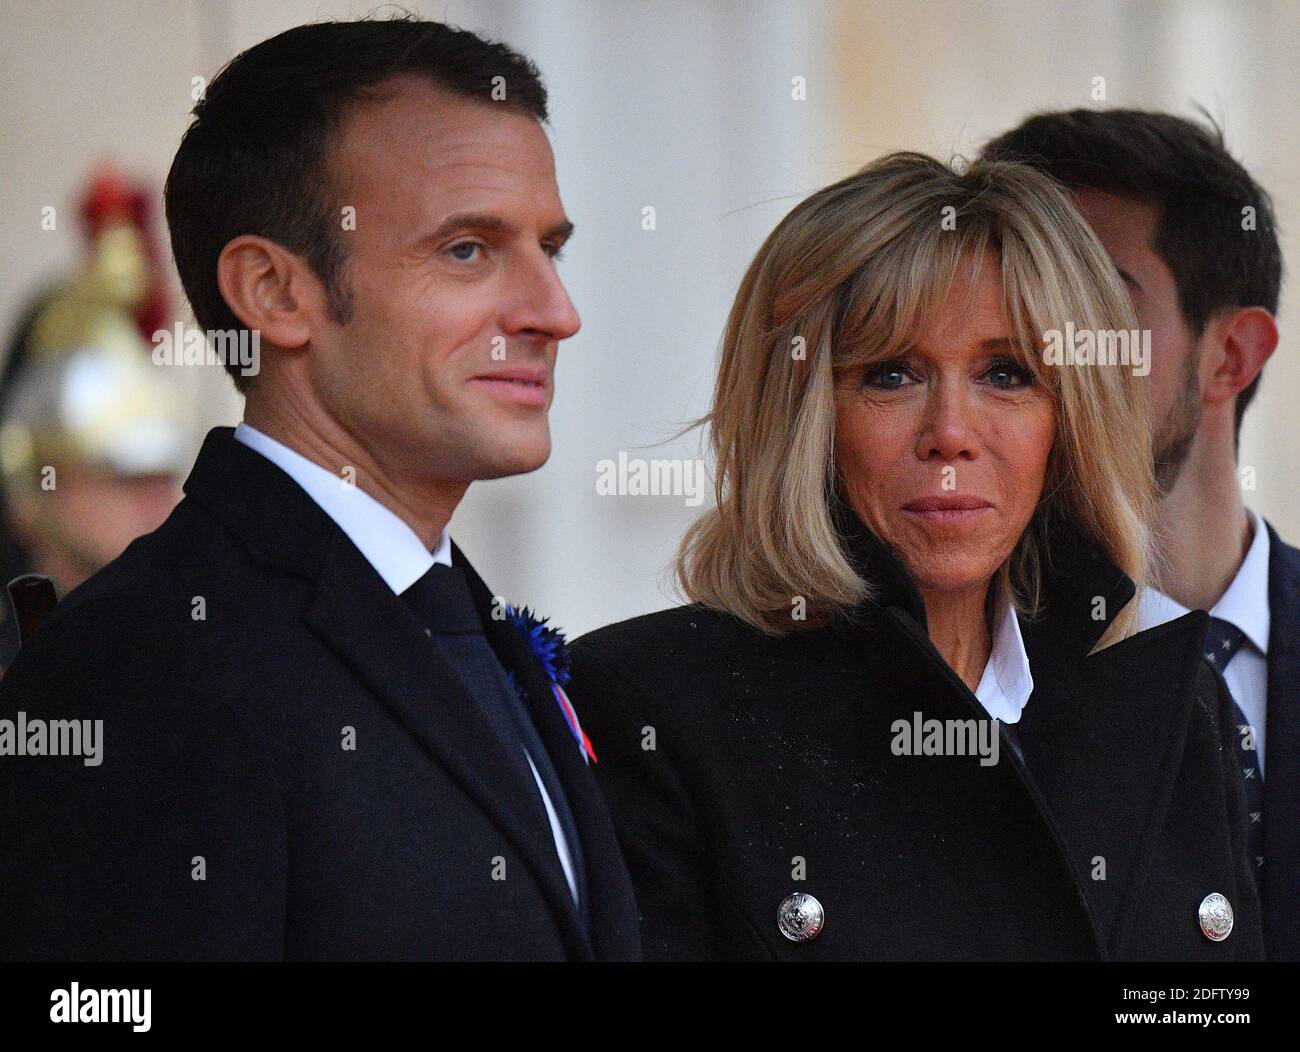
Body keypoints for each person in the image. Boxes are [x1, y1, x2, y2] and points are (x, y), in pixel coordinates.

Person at [0, 16, 639, 962]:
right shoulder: (151, 663)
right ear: (274, 292)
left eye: (552, 247)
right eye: (468, 249)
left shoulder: (463, 624)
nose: (555, 312)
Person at [566, 152, 1261, 961]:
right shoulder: (647, 703)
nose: (951, 433)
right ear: (803, 418)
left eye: (1007, 375)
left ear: (1069, 421)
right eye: (891, 375)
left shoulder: (1177, 707)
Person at [983, 110, 1296, 961]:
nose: (1044, 351)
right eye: (1020, 311)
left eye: (1093, 306)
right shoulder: (960, 666)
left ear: (1232, 353)